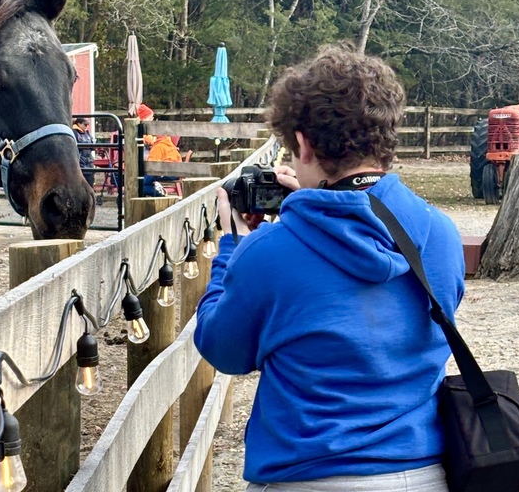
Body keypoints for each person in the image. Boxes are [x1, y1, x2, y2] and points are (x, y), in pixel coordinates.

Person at [193, 42, 465, 492]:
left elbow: (224, 350)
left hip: (305, 476)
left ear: (302, 142)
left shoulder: (268, 251)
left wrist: (232, 248)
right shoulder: (440, 233)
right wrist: (302, 210)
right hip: (424, 475)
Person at [137, 103, 182, 197]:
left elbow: (152, 164)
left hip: (165, 170)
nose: (152, 120)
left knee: (140, 184)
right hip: (173, 169)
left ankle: (159, 194)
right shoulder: (165, 141)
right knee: (142, 183)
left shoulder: (159, 145)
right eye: (151, 118)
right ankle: (156, 191)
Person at [72, 117, 95, 190]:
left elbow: (93, 147)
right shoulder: (74, 133)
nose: (87, 126)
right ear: (79, 124)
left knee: (90, 184)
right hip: (81, 164)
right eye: (85, 124)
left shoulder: (87, 133)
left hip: (88, 163)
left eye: (88, 124)